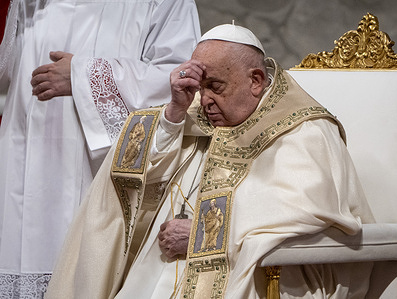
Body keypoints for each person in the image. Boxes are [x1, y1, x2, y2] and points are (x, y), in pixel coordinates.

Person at [45, 24, 375, 298]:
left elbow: (309, 214)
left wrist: (204, 236)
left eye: (215, 86)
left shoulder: (304, 128)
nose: (205, 101)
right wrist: (173, 113)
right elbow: (135, 182)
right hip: (162, 270)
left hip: (258, 272)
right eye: (199, 87)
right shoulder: (197, 113)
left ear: (256, 81)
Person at [0, 0, 200, 297]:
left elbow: (184, 78)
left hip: (98, 170)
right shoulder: (30, 5)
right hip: (21, 152)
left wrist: (86, 76)